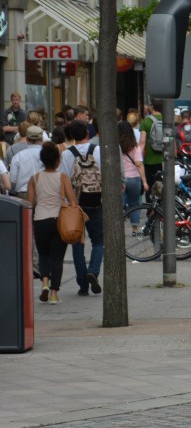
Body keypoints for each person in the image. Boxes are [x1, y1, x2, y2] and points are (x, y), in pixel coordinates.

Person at [27, 142, 78, 305]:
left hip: (40, 220)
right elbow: (73, 201)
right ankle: (54, 294)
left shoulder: (34, 178)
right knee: (57, 258)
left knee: (43, 255)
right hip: (58, 220)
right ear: (57, 160)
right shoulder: (62, 177)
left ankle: (44, 284)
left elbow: (30, 203)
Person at [65, 120, 104, 296]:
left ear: (71, 136)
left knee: (77, 244)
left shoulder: (67, 154)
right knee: (98, 241)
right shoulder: (97, 150)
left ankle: (82, 285)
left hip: (76, 203)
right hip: (96, 200)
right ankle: (93, 271)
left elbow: (64, 180)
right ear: (87, 134)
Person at [118, 120, 148, 236]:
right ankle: (135, 229)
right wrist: (144, 181)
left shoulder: (116, 146)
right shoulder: (135, 147)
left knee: (119, 204)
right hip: (134, 179)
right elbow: (139, 164)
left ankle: (118, 228)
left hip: (121, 179)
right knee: (135, 204)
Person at [139, 101, 165, 189]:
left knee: (151, 185)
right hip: (164, 159)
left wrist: (139, 157)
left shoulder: (146, 121)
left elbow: (142, 141)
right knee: (162, 185)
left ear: (152, 107)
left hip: (149, 159)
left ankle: (151, 202)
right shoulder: (167, 120)